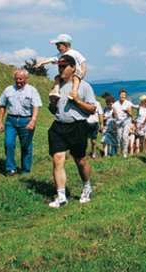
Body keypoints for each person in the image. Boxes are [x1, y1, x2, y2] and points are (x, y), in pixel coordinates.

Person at [46, 55, 96, 208]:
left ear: (73, 68)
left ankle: (87, 186)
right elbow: (53, 110)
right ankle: (61, 196)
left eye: (64, 66)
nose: (60, 69)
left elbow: (92, 108)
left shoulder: (84, 86)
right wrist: (53, 103)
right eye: (59, 66)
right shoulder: (57, 85)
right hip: (59, 125)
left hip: (77, 126)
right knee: (58, 159)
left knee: (80, 161)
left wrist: (77, 101)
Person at [0, 69, 42, 176]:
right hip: (11, 121)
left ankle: (25, 170)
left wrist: (33, 120)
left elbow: (36, 106)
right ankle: (10, 169)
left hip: (26, 121)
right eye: (16, 79)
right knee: (9, 144)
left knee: (26, 146)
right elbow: (2, 105)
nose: (18, 81)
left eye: (21, 79)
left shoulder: (32, 91)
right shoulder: (8, 90)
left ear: (26, 79)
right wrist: (0, 122)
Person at [36, 34, 87, 101]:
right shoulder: (59, 55)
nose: (57, 47)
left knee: (76, 77)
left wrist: (82, 73)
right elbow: (51, 59)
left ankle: (74, 91)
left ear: (66, 44)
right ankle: (56, 91)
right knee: (57, 77)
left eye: (59, 46)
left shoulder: (74, 53)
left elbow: (83, 63)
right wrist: (41, 63)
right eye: (56, 46)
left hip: (76, 73)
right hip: (65, 76)